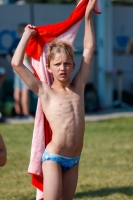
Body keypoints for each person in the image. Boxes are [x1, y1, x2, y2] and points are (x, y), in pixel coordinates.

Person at [11, 0, 96, 199]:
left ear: (73, 66)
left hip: (74, 158)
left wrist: (88, 16)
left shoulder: (79, 87)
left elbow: (89, 49)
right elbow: (16, 64)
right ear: (48, 68)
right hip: (54, 158)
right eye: (57, 64)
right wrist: (26, 35)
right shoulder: (44, 91)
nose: (62, 68)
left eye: (67, 64)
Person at [8, 23, 33, 119]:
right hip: (24, 68)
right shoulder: (27, 42)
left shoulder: (15, 41)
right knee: (24, 91)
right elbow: (27, 57)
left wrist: (13, 63)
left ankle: (18, 113)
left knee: (17, 90)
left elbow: (9, 53)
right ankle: (25, 113)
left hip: (16, 68)